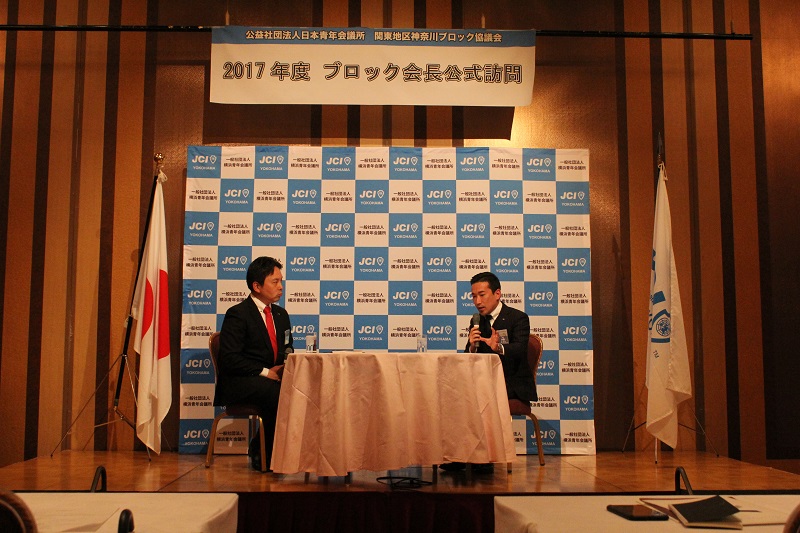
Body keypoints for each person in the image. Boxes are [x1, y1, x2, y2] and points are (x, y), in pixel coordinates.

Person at [441, 271, 536, 473]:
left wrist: (498, 347)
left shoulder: (518, 318)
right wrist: (471, 346)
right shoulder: (477, 320)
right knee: (455, 394)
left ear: (497, 293)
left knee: (479, 396)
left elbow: (520, 350)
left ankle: (483, 459)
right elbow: (469, 359)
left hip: (512, 383)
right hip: (484, 382)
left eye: (482, 295)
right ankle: (460, 454)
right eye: (474, 296)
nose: (477, 301)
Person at [213, 256, 293, 471]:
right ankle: (264, 455)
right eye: (275, 282)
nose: (281, 286)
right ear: (257, 286)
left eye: (281, 281)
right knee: (277, 393)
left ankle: (275, 452)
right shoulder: (238, 314)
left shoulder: (281, 314)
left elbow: (287, 347)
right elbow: (230, 358)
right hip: (241, 382)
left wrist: (286, 366)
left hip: (271, 380)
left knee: (297, 389)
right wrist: (266, 372)